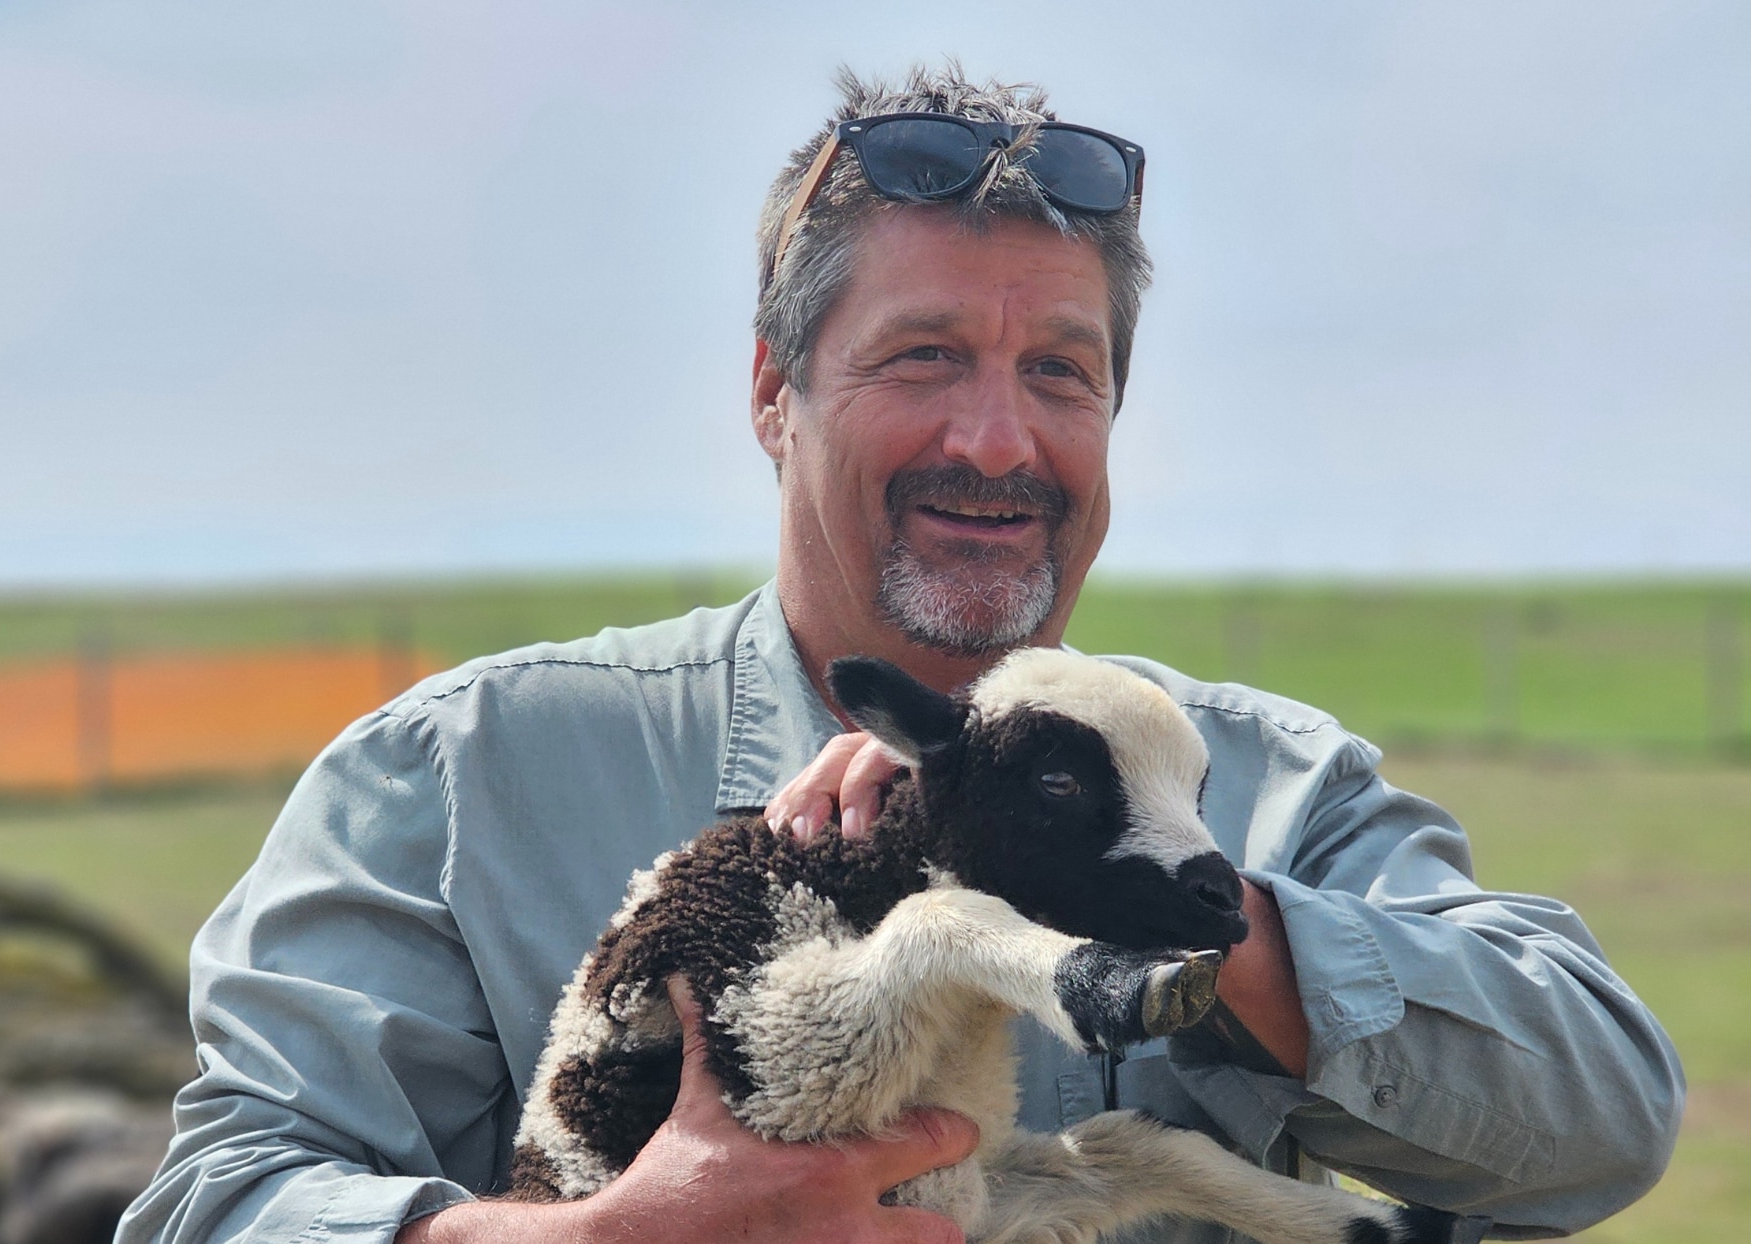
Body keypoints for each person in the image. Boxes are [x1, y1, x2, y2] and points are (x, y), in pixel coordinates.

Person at [117, 66, 1683, 1244]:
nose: (996, 440)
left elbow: (1608, 1119)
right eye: (923, 355)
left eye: (1060, 372)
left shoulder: (1276, 791)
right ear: (770, 394)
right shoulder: (465, 774)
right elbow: (221, 1198)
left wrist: (1205, 924)